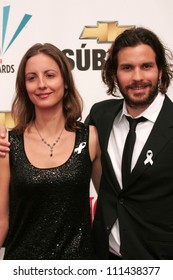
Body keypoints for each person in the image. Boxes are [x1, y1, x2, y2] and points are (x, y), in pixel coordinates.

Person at [0, 43, 101, 260]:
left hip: (79, 268)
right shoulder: (7, 144)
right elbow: (2, 221)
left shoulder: (91, 137)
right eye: (32, 78)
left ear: (65, 82)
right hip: (23, 268)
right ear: (24, 87)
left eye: (50, 75)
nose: (41, 84)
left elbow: (111, 205)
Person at [86, 27, 173, 260]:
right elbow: (61, 147)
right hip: (104, 258)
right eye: (127, 68)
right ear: (114, 74)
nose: (137, 77)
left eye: (146, 66)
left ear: (160, 70)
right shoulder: (100, 116)